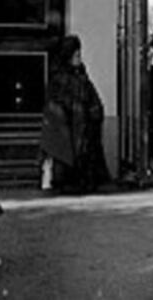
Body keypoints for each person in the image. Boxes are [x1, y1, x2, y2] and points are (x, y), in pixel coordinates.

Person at [38, 35, 110, 193]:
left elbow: (91, 98)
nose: (79, 59)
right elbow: (56, 107)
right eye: (77, 55)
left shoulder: (80, 76)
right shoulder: (60, 79)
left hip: (82, 128)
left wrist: (93, 111)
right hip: (69, 130)